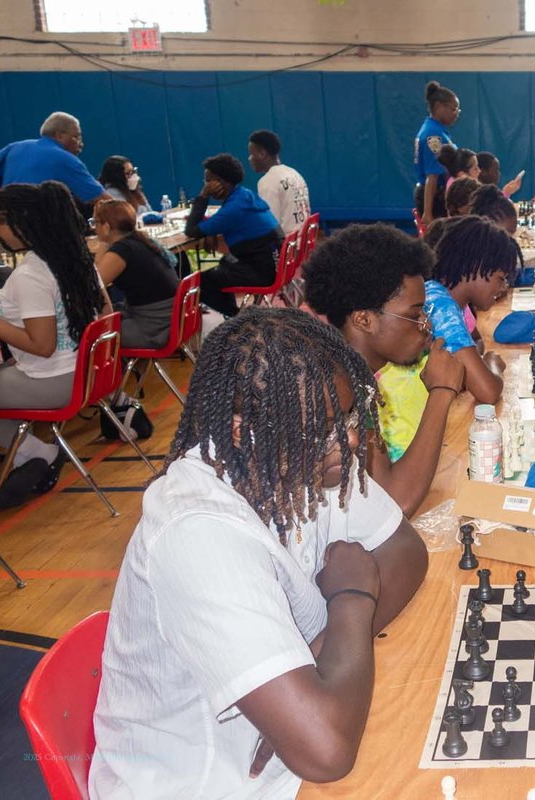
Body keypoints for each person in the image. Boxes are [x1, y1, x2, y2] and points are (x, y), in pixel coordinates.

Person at [91, 306, 429, 798]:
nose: (352, 440)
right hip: (211, 784)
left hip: (303, 737)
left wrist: (318, 664)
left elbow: (406, 550)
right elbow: (325, 752)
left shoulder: (302, 459)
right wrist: (353, 597)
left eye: (351, 417)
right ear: (238, 431)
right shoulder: (198, 533)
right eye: (329, 427)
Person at [0, 182, 111, 509]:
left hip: (52, 382)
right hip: (88, 373)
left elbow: (42, 346)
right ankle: (33, 455)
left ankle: (38, 453)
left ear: (17, 220)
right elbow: (107, 315)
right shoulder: (78, 261)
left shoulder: (30, 274)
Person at [303, 224, 465, 516]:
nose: (426, 326)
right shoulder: (338, 385)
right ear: (364, 320)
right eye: (414, 315)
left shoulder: (358, 378)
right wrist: (442, 391)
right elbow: (396, 502)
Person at [0, 112, 110, 256]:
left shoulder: (17, 146)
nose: (81, 143)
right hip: (32, 235)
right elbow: (102, 198)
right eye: (77, 136)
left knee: (3, 275)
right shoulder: (65, 159)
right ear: (59, 135)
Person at [425, 215, 520, 405]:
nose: (503, 287)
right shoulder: (441, 307)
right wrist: (492, 363)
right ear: (477, 267)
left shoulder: (440, 295)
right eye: (500, 278)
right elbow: (488, 392)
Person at [185, 153, 283, 319]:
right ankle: (232, 313)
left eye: (208, 181)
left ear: (220, 182)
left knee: (197, 277)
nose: (206, 185)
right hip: (272, 263)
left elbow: (191, 230)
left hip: (261, 272)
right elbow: (223, 221)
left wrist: (203, 195)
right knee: (205, 260)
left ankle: (236, 317)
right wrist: (212, 230)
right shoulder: (243, 195)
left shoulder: (234, 207)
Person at [92, 199, 180, 349]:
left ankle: (114, 370)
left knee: (89, 331)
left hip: (153, 329)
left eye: (95, 223)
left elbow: (94, 284)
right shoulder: (142, 241)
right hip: (172, 320)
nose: (94, 228)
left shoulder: (122, 251)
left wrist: (102, 243)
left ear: (106, 227)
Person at [248, 129, 312, 236]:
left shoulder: (267, 182)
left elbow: (269, 226)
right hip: (302, 243)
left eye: (251, 154)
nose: (249, 159)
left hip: (286, 248)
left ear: (262, 154)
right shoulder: (294, 174)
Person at [414, 81, 460, 226]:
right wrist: (428, 213)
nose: (457, 114)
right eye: (454, 109)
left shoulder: (436, 130)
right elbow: (432, 176)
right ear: (439, 107)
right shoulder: (433, 134)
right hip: (434, 199)